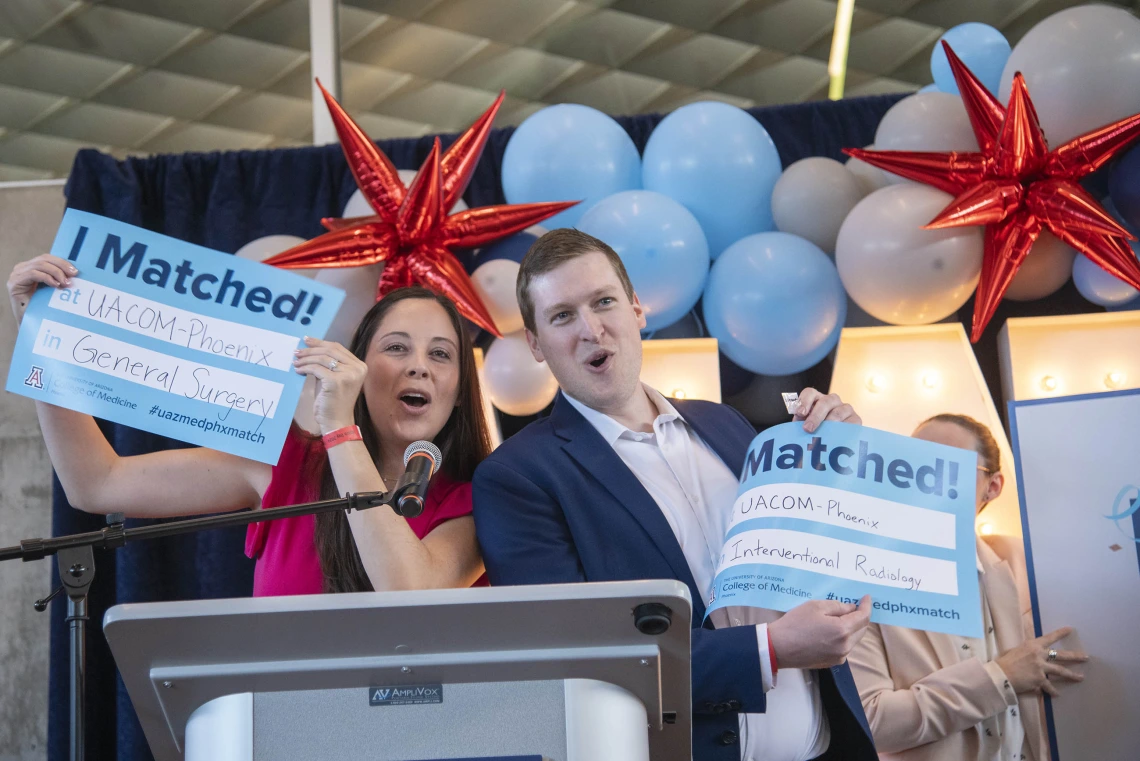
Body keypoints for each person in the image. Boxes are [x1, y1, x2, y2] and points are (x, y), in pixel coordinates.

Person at [472, 228, 878, 761]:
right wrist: (770, 649)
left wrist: (839, 463)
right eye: (562, 315)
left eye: (604, 302)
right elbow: (580, 658)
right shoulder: (518, 477)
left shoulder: (728, 424)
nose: (591, 329)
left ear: (637, 309)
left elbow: (807, 556)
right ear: (535, 344)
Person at [7, 254, 492, 596]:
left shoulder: (485, 499)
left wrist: (339, 427)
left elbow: (406, 590)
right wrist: (42, 334)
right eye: (396, 347)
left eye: (441, 354)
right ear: (359, 369)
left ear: (458, 389)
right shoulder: (286, 464)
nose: (419, 367)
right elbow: (97, 483)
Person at [849, 414, 1087, 761]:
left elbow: (1058, 656)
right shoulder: (864, 580)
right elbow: (872, 721)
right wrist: (1000, 677)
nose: (926, 477)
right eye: (914, 463)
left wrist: (1046, 660)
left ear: (993, 486)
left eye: (949, 466)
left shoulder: (1026, 562)